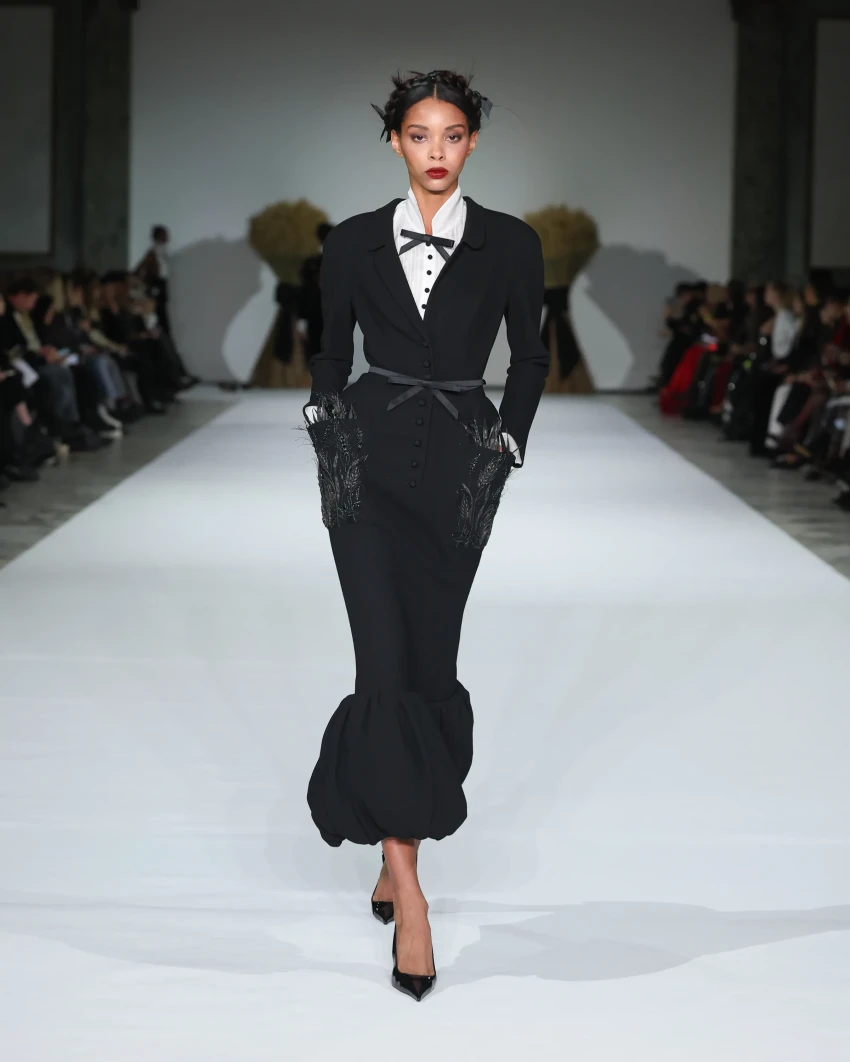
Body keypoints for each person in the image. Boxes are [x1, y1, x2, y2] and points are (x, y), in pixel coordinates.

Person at [300, 68, 549, 1002]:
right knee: (382, 664)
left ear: (472, 141)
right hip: (364, 467)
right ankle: (410, 894)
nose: (435, 151)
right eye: (418, 135)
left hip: (458, 472)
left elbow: (531, 353)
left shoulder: (512, 242)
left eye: (451, 135)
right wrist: (326, 416)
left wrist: (508, 441)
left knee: (431, 667)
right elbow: (330, 346)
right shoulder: (352, 240)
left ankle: (390, 842)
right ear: (396, 142)